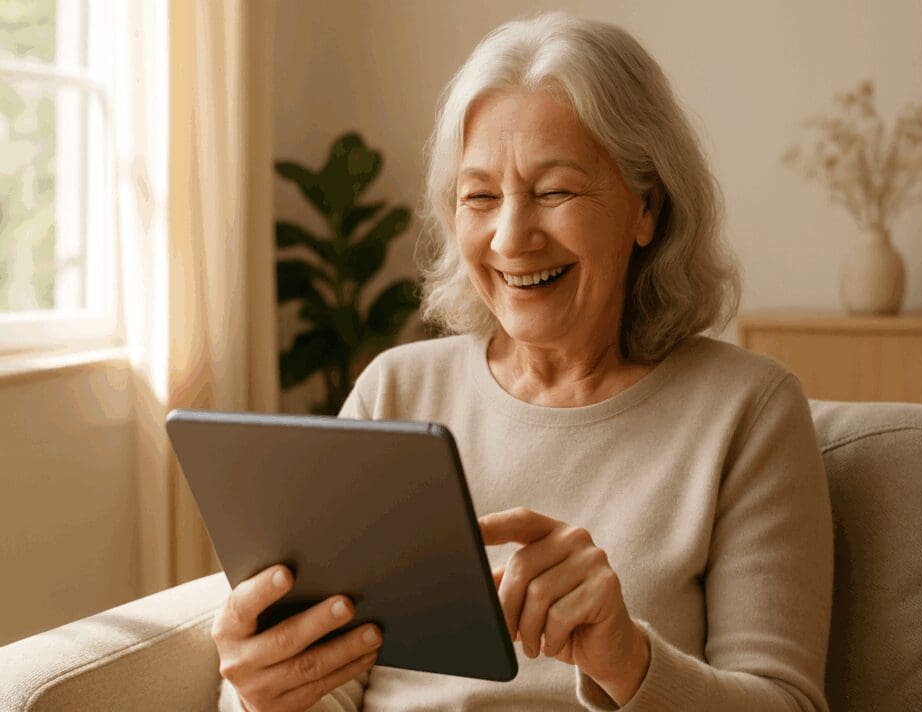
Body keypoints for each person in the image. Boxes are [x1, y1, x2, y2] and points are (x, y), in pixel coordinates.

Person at [212, 10, 833, 712]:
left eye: (554, 191)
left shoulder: (747, 409)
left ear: (646, 208)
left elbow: (787, 705)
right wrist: (262, 694)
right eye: (479, 197)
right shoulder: (396, 390)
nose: (511, 238)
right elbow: (332, 678)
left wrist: (627, 658)